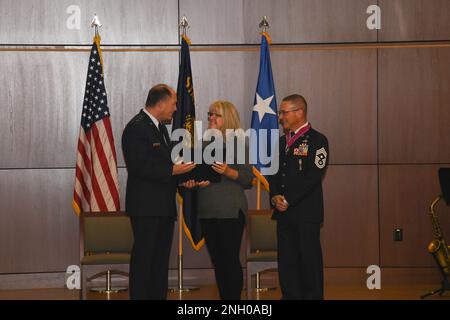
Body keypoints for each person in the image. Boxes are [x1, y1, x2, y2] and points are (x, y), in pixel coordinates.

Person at [121, 84, 195, 300]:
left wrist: (185, 180)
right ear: (160, 104)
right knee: (145, 262)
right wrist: (174, 170)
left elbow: (166, 165)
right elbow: (139, 166)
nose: (175, 109)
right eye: (173, 105)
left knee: (160, 263)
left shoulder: (160, 128)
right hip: (146, 208)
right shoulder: (136, 127)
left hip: (162, 207)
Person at [188, 100, 253, 300]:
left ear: (228, 118)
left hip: (230, 210)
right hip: (207, 209)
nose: (211, 119)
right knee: (217, 260)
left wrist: (228, 171)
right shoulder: (202, 144)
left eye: (215, 115)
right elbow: (198, 173)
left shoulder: (238, 142)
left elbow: (247, 178)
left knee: (229, 259)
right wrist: (194, 181)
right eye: (209, 115)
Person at [269, 94, 329, 300]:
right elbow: (274, 173)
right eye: (281, 113)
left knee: (308, 261)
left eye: (284, 112)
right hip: (284, 215)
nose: (281, 117)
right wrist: (275, 195)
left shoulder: (318, 140)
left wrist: (288, 200)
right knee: (286, 262)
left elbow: (313, 176)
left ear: (299, 112)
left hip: (306, 214)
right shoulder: (281, 141)